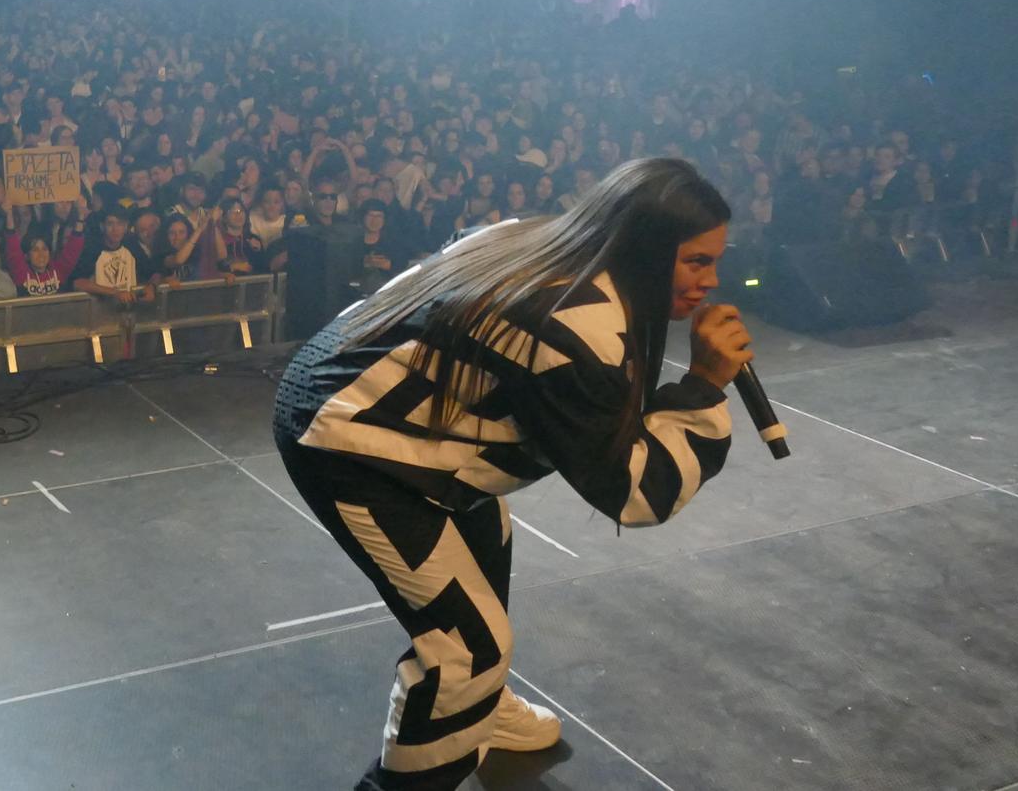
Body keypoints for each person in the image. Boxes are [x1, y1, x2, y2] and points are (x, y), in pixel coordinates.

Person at [272, 158, 752, 790]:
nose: (711, 282)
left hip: (406, 423)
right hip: (348, 442)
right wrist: (704, 386)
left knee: (483, 553)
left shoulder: (553, 242)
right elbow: (635, 490)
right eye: (696, 262)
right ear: (644, 249)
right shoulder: (573, 321)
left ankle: (481, 708)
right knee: (467, 649)